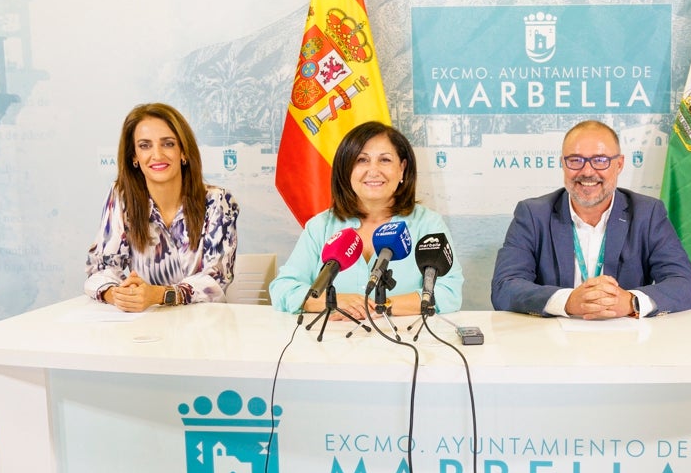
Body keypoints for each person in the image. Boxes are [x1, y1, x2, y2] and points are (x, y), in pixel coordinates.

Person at [490, 120, 691, 318]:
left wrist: (630, 302)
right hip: (551, 343)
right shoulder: (533, 214)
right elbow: (505, 287)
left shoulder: (648, 213)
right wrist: (568, 301)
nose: (587, 171)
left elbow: (686, 285)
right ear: (563, 163)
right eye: (575, 160)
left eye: (600, 160)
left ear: (619, 164)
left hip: (628, 343)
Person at [269, 121, 463, 318]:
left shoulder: (428, 225)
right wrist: (333, 301)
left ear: (402, 169)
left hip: (405, 342)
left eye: (385, 160)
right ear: (346, 170)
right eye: (361, 160)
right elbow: (283, 289)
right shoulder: (321, 226)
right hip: (332, 342)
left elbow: (449, 292)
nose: (373, 170)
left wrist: (382, 305)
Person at [86, 103, 239, 311]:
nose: (157, 155)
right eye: (145, 146)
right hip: (142, 327)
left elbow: (216, 280)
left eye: (167, 144)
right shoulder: (121, 197)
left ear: (183, 152)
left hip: (203, 328)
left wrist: (158, 295)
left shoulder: (218, 201)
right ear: (134, 157)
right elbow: (101, 269)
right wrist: (119, 294)